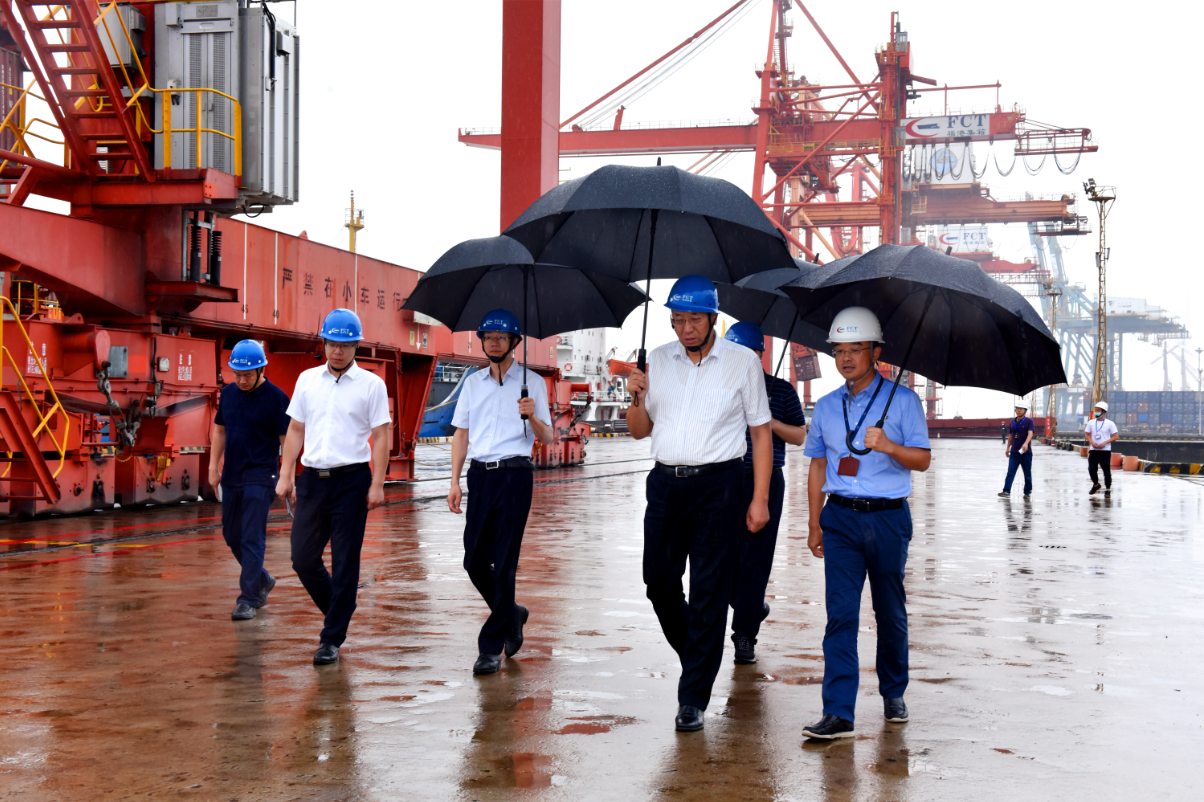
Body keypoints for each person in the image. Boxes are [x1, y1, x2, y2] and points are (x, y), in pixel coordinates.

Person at [626, 275, 773, 733]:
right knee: (658, 582)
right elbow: (638, 431)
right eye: (677, 319)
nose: (685, 328)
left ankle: (692, 698)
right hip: (665, 485)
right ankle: (699, 655)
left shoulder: (742, 362)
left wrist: (760, 499)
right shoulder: (656, 361)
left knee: (709, 591)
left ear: (713, 318)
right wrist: (635, 396)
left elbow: (760, 433)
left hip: (720, 487)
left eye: (693, 319)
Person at [800, 307, 931, 740]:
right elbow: (818, 465)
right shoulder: (827, 406)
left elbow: (922, 460)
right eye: (839, 350)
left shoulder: (904, 402)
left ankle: (894, 692)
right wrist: (815, 523)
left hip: (888, 518)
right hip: (840, 519)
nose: (846, 358)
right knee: (840, 614)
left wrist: (890, 446)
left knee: (889, 611)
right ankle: (838, 712)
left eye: (855, 349)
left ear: (875, 352)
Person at [276, 309, 392, 665]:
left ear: (357, 346)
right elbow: (296, 429)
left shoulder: (372, 385)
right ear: (323, 343)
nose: (337, 351)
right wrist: (286, 473)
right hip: (312, 480)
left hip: (351, 482)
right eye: (331, 344)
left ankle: (331, 639)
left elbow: (381, 436)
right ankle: (338, 612)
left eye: (345, 345)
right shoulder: (307, 380)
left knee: (344, 563)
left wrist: (377, 483)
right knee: (302, 558)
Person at [447, 309, 553, 676]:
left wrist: (532, 415)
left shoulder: (532, 383)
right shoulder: (473, 383)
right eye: (488, 337)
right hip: (480, 477)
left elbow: (548, 437)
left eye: (501, 337)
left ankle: (490, 647)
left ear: (514, 342)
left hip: (514, 475)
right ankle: (513, 614)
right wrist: (454, 481)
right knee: (474, 562)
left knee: (505, 562)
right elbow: (461, 433)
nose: (494, 343)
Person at [722, 321, 807, 664]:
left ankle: (744, 636)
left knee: (756, 558)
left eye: (746, 352)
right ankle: (751, 606)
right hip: (722, 478)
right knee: (721, 558)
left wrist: (768, 421)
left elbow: (799, 436)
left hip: (767, 480)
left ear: (760, 354)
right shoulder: (718, 387)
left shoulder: (782, 390)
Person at [209, 340, 291, 620]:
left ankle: (248, 599)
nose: (242, 381)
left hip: (261, 475)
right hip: (232, 474)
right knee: (231, 535)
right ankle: (262, 579)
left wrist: (287, 475)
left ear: (261, 370)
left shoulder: (276, 398)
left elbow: (287, 439)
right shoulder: (228, 394)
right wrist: (213, 467)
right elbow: (220, 431)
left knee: (251, 537)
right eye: (237, 375)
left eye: (247, 375)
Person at [999, 399, 1035, 500]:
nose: (1018, 410)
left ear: (1025, 410)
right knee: (1010, 472)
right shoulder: (1012, 422)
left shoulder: (1029, 421)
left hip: (1026, 452)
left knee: (1027, 473)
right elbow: (1010, 435)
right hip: (1014, 452)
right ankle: (1006, 491)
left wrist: (1026, 443)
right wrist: (1007, 448)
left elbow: (1030, 433)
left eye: (1021, 409)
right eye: (1017, 409)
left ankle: (1027, 492)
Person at [1085, 400, 1119, 496]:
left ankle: (1107, 490)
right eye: (1095, 410)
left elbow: (1116, 436)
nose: (1096, 412)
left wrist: (1105, 443)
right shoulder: (1091, 423)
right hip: (1094, 450)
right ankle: (1096, 484)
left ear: (1103, 412)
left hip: (1105, 451)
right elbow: (1087, 435)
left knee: (1106, 471)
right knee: (1091, 469)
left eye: (1098, 410)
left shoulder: (1110, 423)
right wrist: (1092, 442)